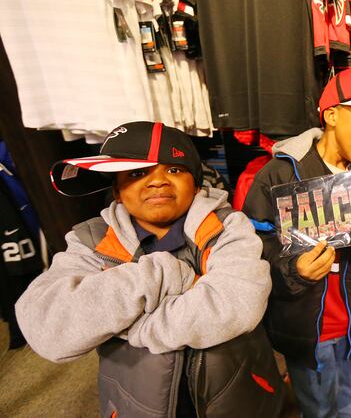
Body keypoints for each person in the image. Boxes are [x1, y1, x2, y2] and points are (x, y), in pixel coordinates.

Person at [15, 121, 284, 417]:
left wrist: (129, 327)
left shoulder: (227, 226)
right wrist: (164, 273)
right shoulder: (90, 241)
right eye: (137, 172)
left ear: (196, 185)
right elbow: (49, 328)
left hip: (236, 394)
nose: (157, 181)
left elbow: (235, 304)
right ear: (116, 190)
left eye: (173, 169)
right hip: (136, 399)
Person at [243, 66, 351, 418]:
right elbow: (252, 247)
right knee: (316, 399)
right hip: (305, 328)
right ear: (331, 115)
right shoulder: (278, 173)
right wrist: (294, 269)